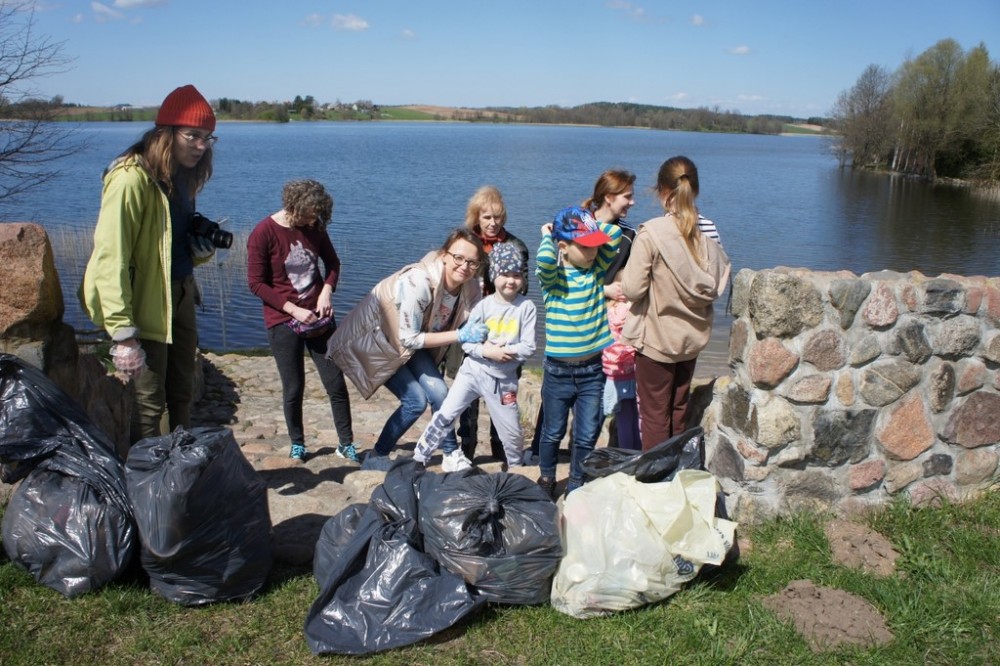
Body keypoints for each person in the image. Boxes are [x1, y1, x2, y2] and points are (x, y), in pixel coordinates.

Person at [80, 84, 219, 444]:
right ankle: (147, 474)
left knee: (181, 393)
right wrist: (122, 333)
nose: (201, 146)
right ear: (165, 132)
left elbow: (169, 247)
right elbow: (111, 256)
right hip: (144, 306)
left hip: (180, 294)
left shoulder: (180, 178)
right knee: (148, 404)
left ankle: (179, 468)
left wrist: (201, 250)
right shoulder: (130, 179)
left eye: (207, 138)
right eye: (192, 135)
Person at [326, 228, 487, 471]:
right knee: (415, 400)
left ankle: (451, 453)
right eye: (458, 257)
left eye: (472, 262)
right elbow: (409, 338)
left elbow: (477, 317)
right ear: (444, 255)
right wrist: (460, 335)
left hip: (413, 342)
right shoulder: (418, 281)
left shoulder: (471, 285)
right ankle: (376, 456)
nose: (464, 266)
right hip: (382, 340)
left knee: (440, 393)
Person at [620, 156, 731, 450]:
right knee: (678, 408)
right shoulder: (708, 230)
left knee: (654, 415)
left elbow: (632, 289)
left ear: (662, 191)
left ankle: (659, 473)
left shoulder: (652, 233)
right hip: (691, 338)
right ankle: (678, 466)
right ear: (695, 189)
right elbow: (713, 282)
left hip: (656, 339)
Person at [246, 179, 359, 463]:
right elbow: (256, 283)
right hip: (283, 320)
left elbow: (333, 264)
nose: (314, 219)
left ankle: (346, 444)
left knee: (335, 383)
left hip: (319, 317)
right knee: (294, 387)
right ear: (294, 206)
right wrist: (293, 310)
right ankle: (297, 443)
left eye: (318, 214)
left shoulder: (315, 227)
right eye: (310, 214)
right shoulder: (263, 233)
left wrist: (327, 292)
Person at [414, 242, 537, 469]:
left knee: (512, 433)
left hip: (503, 381)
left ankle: (516, 468)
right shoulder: (482, 306)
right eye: (505, 274)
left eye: (517, 275)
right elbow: (467, 343)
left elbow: (529, 347)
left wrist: (505, 351)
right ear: (494, 275)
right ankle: (419, 458)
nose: (511, 281)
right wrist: (487, 351)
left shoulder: (526, 307)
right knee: (445, 414)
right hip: (472, 372)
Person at [535, 206, 620, 498]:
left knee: (586, 434)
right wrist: (547, 236)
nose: (593, 251)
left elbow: (615, 234)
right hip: (557, 372)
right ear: (563, 247)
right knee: (552, 431)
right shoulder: (554, 280)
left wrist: (590, 225)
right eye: (584, 246)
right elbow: (544, 260)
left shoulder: (596, 271)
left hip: (592, 371)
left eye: (594, 245)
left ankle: (576, 482)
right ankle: (547, 477)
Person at [449, 186, 531, 462]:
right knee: (468, 396)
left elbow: (523, 287)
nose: (493, 223)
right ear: (476, 217)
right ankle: (467, 449)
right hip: (471, 326)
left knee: (504, 394)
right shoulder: (465, 245)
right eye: (487, 217)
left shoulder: (516, 246)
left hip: (505, 330)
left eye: (497, 217)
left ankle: (502, 450)